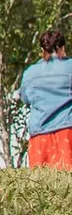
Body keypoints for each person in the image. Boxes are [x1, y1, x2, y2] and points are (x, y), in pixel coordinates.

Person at [20, 30, 72, 169]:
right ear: (62, 48)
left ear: (43, 50)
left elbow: (25, 98)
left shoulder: (30, 73)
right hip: (68, 132)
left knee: (43, 185)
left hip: (40, 137)